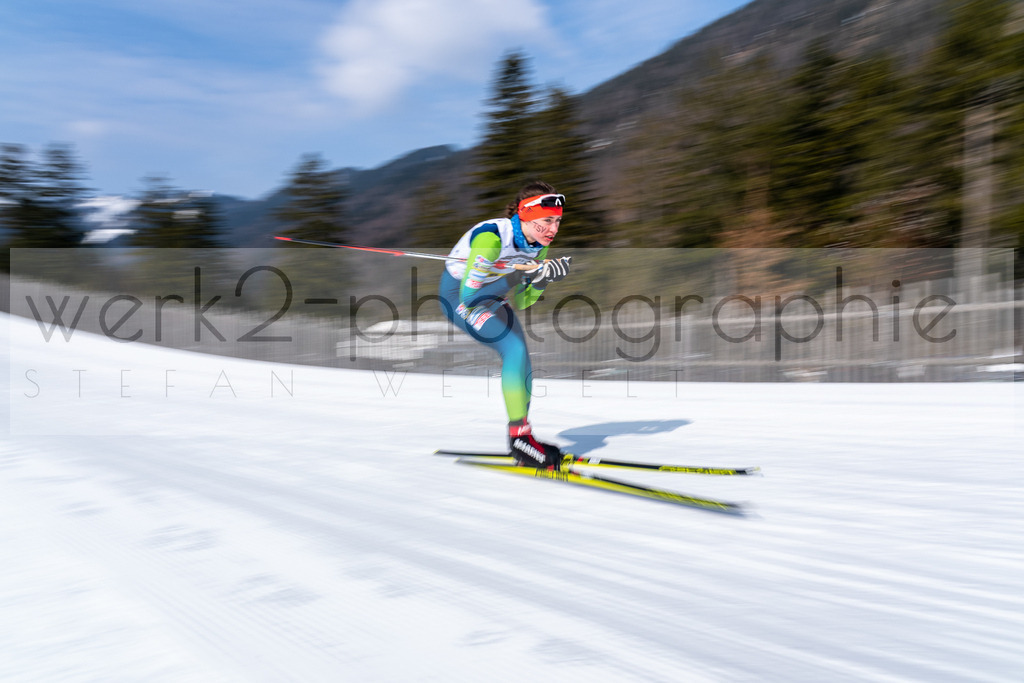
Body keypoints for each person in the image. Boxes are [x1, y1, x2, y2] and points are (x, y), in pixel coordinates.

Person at [439, 181, 572, 468]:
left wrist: (541, 278)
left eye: (558, 221)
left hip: (492, 294)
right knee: (513, 350)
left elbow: (524, 301)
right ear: (526, 215)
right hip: (459, 297)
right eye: (546, 221)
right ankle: (520, 439)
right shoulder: (492, 238)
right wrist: (517, 276)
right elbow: (469, 297)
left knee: (522, 355)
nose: (553, 230)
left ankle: (523, 437)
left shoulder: (538, 245)